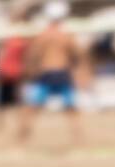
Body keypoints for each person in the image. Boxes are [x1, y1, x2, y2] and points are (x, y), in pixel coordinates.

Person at [18, 1, 84, 146]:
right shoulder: (67, 35)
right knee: (71, 108)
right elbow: (77, 54)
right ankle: (78, 138)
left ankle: (22, 138)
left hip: (45, 72)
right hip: (62, 72)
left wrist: (30, 71)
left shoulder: (43, 35)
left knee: (31, 107)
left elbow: (33, 54)